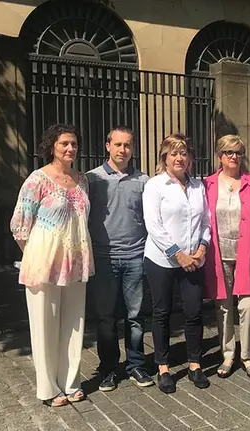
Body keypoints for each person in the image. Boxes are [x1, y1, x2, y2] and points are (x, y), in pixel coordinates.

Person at [10, 124, 93, 407]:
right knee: (45, 325)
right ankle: (48, 388)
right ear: (52, 146)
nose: (70, 149)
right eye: (64, 144)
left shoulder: (82, 180)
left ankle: (71, 382)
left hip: (77, 261)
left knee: (73, 323)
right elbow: (21, 224)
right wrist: (35, 255)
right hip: (43, 263)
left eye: (74, 144)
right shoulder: (37, 179)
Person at [86, 126, 154, 391]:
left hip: (135, 256)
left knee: (135, 316)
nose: (122, 150)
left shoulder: (144, 181)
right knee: (105, 318)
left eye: (127, 145)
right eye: (118, 145)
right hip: (104, 258)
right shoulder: (92, 180)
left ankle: (136, 364)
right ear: (107, 146)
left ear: (132, 149)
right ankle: (108, 368)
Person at [142, 134, 211, 393]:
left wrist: (202, 247)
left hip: (194, 259)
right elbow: (154, 225)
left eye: (183, 153)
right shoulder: (155, 186)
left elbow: (206, 221)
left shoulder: (197, 186)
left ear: (190, 158)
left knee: (193, 312)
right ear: (164, 158)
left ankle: (195, 364)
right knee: (161, 313)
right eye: (173, 153)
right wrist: (177, 254)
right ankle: (163, 367)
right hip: (161, 260)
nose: (179, 158)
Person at [203, 135, 250, 379]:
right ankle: (228, 354)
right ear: (220, 156)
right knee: (223, 306)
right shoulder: (208, 184)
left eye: (238, 152)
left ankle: (247, 355)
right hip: (219, 254)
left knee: (248, 305)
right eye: (229, 152)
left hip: (247, 253)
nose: (234, 157)